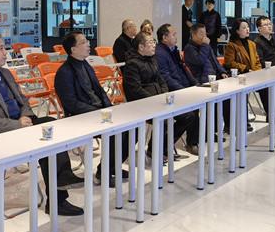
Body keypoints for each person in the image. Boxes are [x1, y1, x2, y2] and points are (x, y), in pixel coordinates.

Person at [0, 31, 84, 216]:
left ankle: (61, 183)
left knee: (50, 125)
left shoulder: (5, 73)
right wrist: (17, 125)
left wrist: (26, 116)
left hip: (20, 125)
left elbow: (22, 100)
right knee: (44, 141)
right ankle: (57, 198)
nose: (6, 52)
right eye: (1, 48)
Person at [55, 32, 129, 187]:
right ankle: (104, 172)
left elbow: (100, 91)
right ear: (73, 49)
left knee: (130, 129)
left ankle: (111, 166)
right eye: (83, 42)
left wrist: (108, 108)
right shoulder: (64, 72)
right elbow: (71, 103)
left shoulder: (85, 65)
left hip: (98, 112)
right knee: (115, 133)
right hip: (80, 117)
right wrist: (97, 112)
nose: (88, 44)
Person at [124, 32, 197, 161]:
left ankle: (163, 146)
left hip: (160, 100)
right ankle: (155, 150)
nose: (154, 45)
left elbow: (161, 80)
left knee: (188, 116)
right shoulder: (132, 64)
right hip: (143, 103)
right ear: (141, 47)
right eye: (151, 42)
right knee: (163, 119)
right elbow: (135, 90)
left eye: (154, 42)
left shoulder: (152, 60)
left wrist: (163, 94)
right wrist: (155, 100)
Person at [155, 23, 201, 154]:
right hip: (173, 92)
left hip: (183, 86)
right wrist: (183, 90)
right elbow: (166, 78)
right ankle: (167, 146)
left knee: (198, 105)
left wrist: (194, 83)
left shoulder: (173, 50)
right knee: (190, 113)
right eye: (173, 34)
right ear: (164, 38)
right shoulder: (160, 53)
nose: (176, 37)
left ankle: (193, 141)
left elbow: (184, 69)